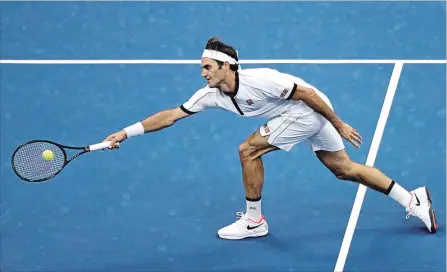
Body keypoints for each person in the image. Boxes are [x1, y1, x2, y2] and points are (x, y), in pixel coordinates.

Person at [103, 37, 437, 240]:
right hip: (295, 114)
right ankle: (413, 200)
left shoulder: (260, 80)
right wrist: (126, 132)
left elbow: (305, 93)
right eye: (202, 68)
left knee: (248, 151)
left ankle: (253, 221)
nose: (202, 73)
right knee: (343, 169)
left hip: (308, 108)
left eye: (207, 67)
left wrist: (339, 122)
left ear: (227, 66)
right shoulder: (210, 94)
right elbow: (172, 115)